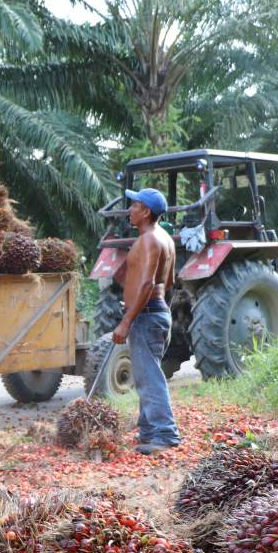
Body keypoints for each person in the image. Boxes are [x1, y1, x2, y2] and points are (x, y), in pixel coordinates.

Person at [111, 187, 180, 455]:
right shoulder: (166, 239)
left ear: (146, 212)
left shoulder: (149, 240)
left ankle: (164, 434)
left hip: (147, 314)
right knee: (146, 374)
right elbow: (170, 281)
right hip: (157, 312)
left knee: (149, 377)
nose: (130, 209)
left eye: (135, 205)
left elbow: (149, 283)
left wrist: (127, 320)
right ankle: (149, 431)